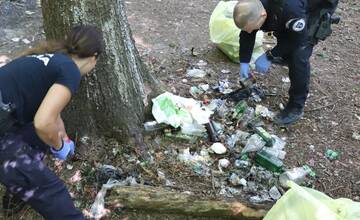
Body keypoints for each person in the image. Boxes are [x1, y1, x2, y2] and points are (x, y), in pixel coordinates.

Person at [0, 25, 104, 219]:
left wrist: (62, 136)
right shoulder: (71, 71)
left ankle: (16, 194)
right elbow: (43, 123)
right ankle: (23, 181)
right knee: (53, 192)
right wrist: (58, 145)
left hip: (6, 117)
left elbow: (51, 114)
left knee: (37, 138)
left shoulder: (53, 60)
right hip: (3, 125)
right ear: (94, 57)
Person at [233, 0, 337, 125]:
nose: (251, 31)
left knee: (299, 55)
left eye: (254, 28)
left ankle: (296, 107)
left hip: (318, 4)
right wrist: (244, 62)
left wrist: (269, 56)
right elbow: (247, 33)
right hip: (286, 11)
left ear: (262, 14)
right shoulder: (254, 6)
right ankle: (284, 52)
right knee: (278, 29)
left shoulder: (291, 10)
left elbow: (299, 40)